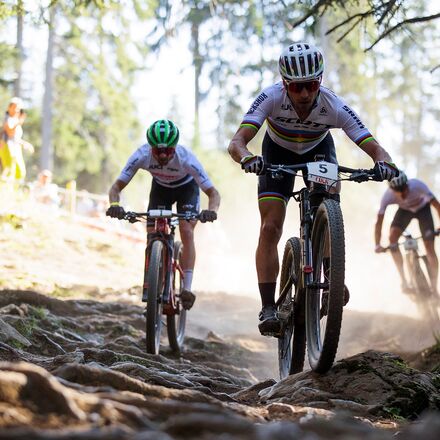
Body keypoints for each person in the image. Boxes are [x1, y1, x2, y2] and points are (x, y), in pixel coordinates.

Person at [227, 42, 399, 336]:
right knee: (270, 227)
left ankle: (332, 276)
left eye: (312, 85)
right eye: (297, 88)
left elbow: (375, 147)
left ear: (320, 80)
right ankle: (268, 307)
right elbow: (237, 142)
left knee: (329, 205)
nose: (305, 94)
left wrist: (385, 163)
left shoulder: (333, 104)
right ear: (285, 84)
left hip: (318, 152)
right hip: (276, 153)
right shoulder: (269, 98)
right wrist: (248, 159)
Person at [106, 119, 221, 310]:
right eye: (157, 150)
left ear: (175, 147)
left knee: (187, 230)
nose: (162, 155)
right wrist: (115, 205)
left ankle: (187, 288)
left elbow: (213, 193)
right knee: (152, 233)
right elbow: (116, 187)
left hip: (187, 189)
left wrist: (212, 211)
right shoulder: (141, 155)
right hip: (160, 189)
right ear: (150, 147)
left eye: (167, 150)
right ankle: (152, 285)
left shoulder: (186, 159)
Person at [374, 171, 440, 296]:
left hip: (423, 209)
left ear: (408, 184)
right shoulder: (388, 196)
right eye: (399, 191)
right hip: (405, 211)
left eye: (404, 188)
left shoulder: (417, 185)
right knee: (392, 238)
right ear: (392, 190)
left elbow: (436, 205)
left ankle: (434, 287)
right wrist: (377, 244)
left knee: (429, 248)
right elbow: (379, 220)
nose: (403, 193)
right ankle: (404, 281)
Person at [0, 97, 33, 182]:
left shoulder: (15, 120)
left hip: (15, 147)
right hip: (6, 146)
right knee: (9, 170)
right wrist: (19, 122)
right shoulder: (7, 118)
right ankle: (6, 190)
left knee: (20, 172)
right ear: (9, 108)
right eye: (14, 107)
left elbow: (15, 138)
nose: (16, 110)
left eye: (18, 108)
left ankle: (14, 190)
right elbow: (10, 132)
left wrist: (25, 144)